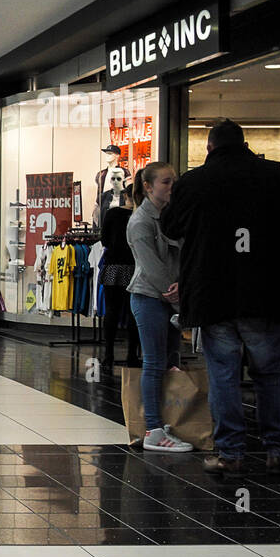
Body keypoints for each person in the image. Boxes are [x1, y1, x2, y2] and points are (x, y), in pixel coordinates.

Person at [162, 118, 280, 475]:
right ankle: (278, 449)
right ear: (245, 143)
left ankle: (230, 453)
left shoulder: (194, 183)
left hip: (212, 293)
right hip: (266, 294)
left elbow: (171, 227)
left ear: (209, 147)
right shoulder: (278, 177)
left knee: (223, 373)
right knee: (270, 373)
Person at [126, 162, 191, 453]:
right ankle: (153, 429)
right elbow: (151, 267)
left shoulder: (173, 216)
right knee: (153, 363)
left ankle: (168, 423)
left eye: (173, 180)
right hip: (149, 297)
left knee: (171, 361)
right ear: (148, 187)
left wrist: (182, 286)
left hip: (170, 297)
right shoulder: (141, 222)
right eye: (166, 182)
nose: (172, 186)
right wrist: (175, 293)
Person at [98, 182, 140, 372]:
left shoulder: (113, 214)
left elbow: (104, 239)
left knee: (112, 311)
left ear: (126, 195)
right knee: (134, 312)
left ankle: (108, 355)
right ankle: (132, 354)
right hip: (134, 267)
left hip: (114, 266)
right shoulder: (140, 216)